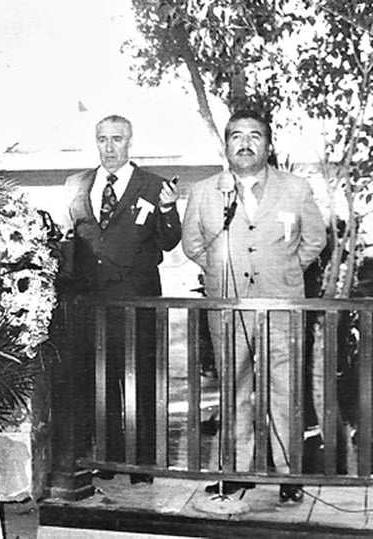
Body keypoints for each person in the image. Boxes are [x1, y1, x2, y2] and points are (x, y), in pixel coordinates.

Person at [181, 109, 326, 502]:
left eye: (254, 136)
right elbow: (193, 244)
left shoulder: (295, 188)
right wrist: (220, 270)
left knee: (285, 389)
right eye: (236, 136)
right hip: (228, 307)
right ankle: (236, 471)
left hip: (282, 305)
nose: (245, 143)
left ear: (269, 143)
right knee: (233, 388)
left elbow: (315, 238)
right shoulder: (204, 191)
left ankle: (289, 474)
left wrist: (287, 269)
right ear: (226, 144)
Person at [64, 114, 181, 483]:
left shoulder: (154, 185)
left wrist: (167, 209)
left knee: (141, 380)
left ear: (130, 142)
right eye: (102, 139)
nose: (110, 147)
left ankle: (142, 464)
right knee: (100, 382)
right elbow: (72, 238)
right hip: (91, 302)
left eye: (117, 139)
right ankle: (110, 458)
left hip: (137, 299)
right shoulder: (76, 184)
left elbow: (168, 241)